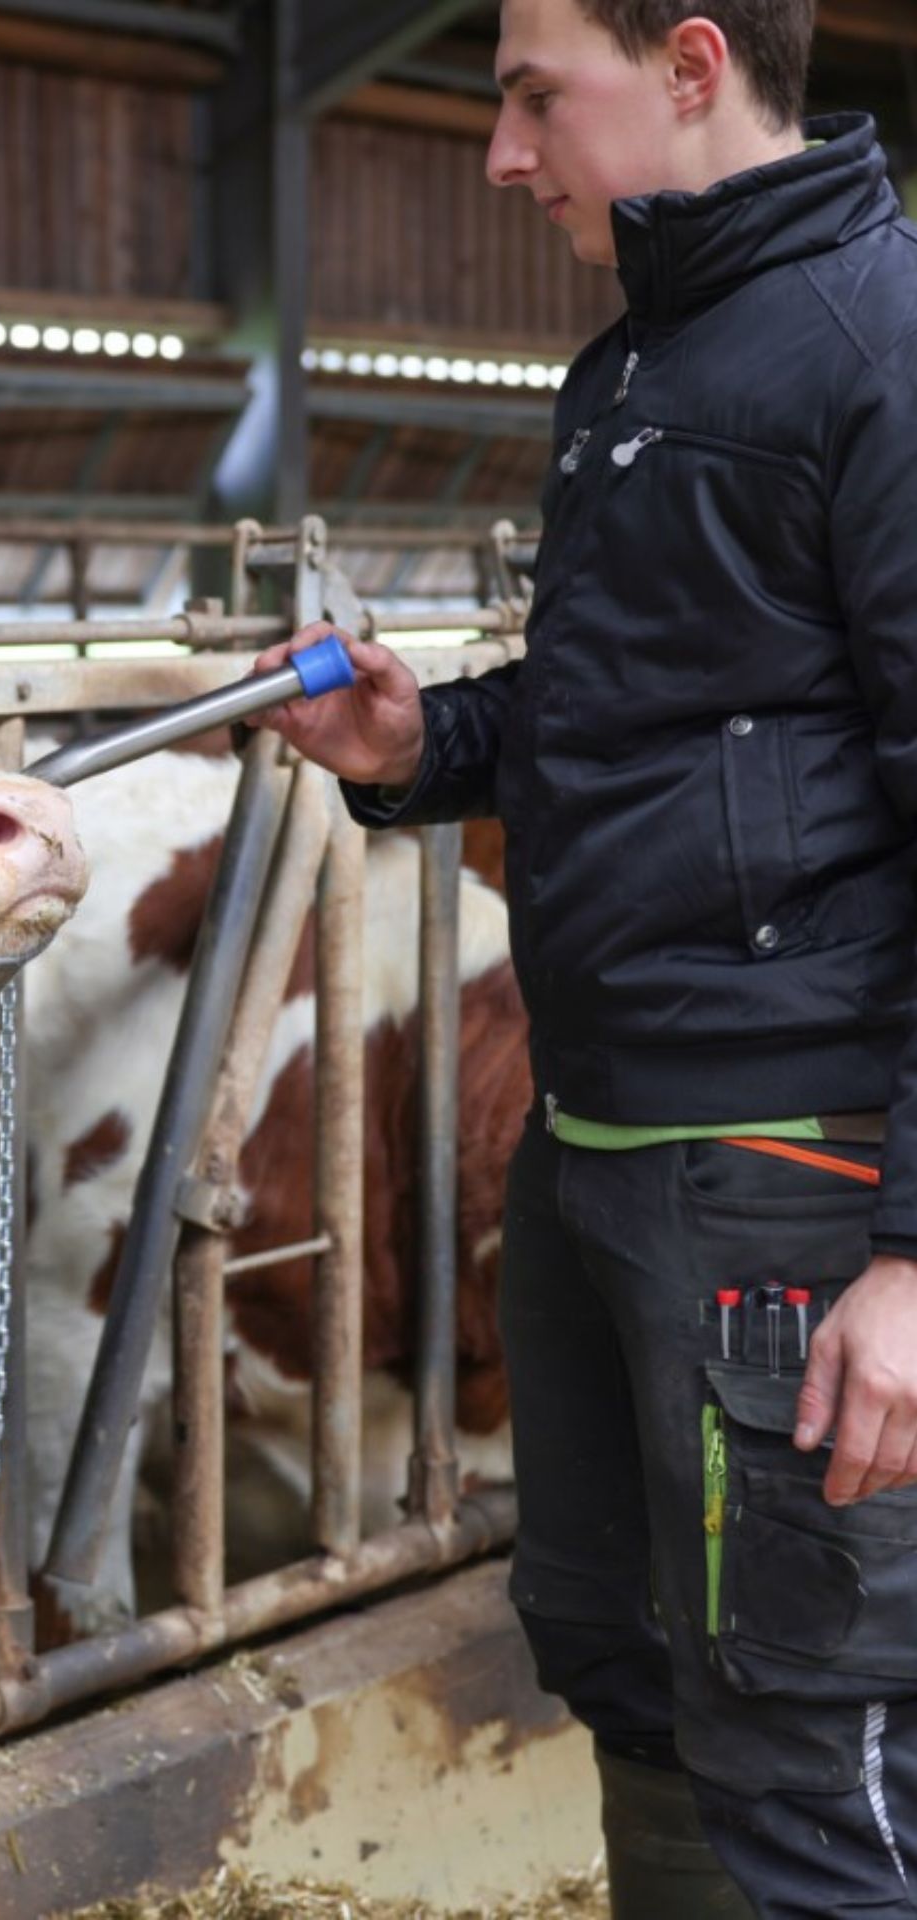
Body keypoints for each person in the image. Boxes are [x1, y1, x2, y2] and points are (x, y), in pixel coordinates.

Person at [252, 3, 917, 1915]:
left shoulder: (876, 347)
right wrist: (421, 745)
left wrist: (911, 1259)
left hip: (788, 1170)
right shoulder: (641, 360)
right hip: (603, 1144)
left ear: (693, 65)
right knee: (623, 1660)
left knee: (806, 1734)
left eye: (537, 97)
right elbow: (641, 717)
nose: (503, 154)